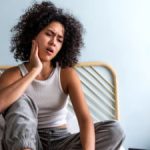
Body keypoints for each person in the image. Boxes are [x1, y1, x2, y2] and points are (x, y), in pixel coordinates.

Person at [0, 1, 125, 150]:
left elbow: (85, 120)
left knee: (115, 130)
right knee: (20, 100)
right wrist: (34, 71)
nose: (53, 43)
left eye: (59, 40)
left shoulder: (66, 74)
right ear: (33, 34)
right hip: (27, 141)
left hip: (61, 141)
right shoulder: (12, 75)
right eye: (49, 34)